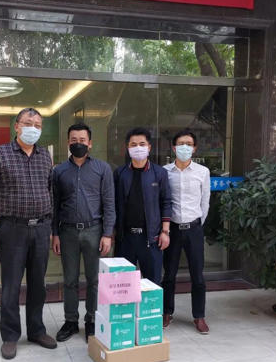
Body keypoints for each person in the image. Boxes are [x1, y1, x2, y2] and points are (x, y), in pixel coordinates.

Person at [0, 107, 57, 360]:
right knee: (11, 285)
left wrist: (51, 226)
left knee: (38, 284)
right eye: (27, 123)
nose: (33, 129)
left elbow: (50, 191)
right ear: (16, 126)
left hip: (41, 228)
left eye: (37, 125)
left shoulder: (45, 156)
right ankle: (10, 336)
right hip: (12, 229)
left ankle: (36, 331)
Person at [52, 123, 115, 342]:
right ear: (68, 143)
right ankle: (70, 321)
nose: (77, 144)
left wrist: (107, 234)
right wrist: (55, 234)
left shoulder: (102, 169)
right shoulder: (59, 171)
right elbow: (55, 205)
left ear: (90, 143)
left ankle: (92, 320)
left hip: (94, 231)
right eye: (73, 140)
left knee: (94, 280)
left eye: (82, 140)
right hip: (67, 232)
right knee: (69, 280)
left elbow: (109, 203)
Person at [162, 129, 211, 334]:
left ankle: (199, 316)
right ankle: (167, 312)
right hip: (171, 229)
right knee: (169, 274)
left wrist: (196, 224)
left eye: (189, 144)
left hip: (193, 229)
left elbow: (205, 202)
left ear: (194, 148)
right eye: (181, 143)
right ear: (174, 148)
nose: (185, 147)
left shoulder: (203, 172)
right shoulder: (164, 172)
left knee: (197, 275)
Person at [113, 127, 171, 284]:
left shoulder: (159, 173)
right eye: (133, 145)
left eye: (142, 144)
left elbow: (166, 202)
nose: (138, 148)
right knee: (124, 284)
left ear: (149, 147)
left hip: (151, 238)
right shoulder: (120, 173)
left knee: (153, 284)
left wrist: (165, 231)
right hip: (125, 239)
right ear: (127, 147)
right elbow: (114, 204)